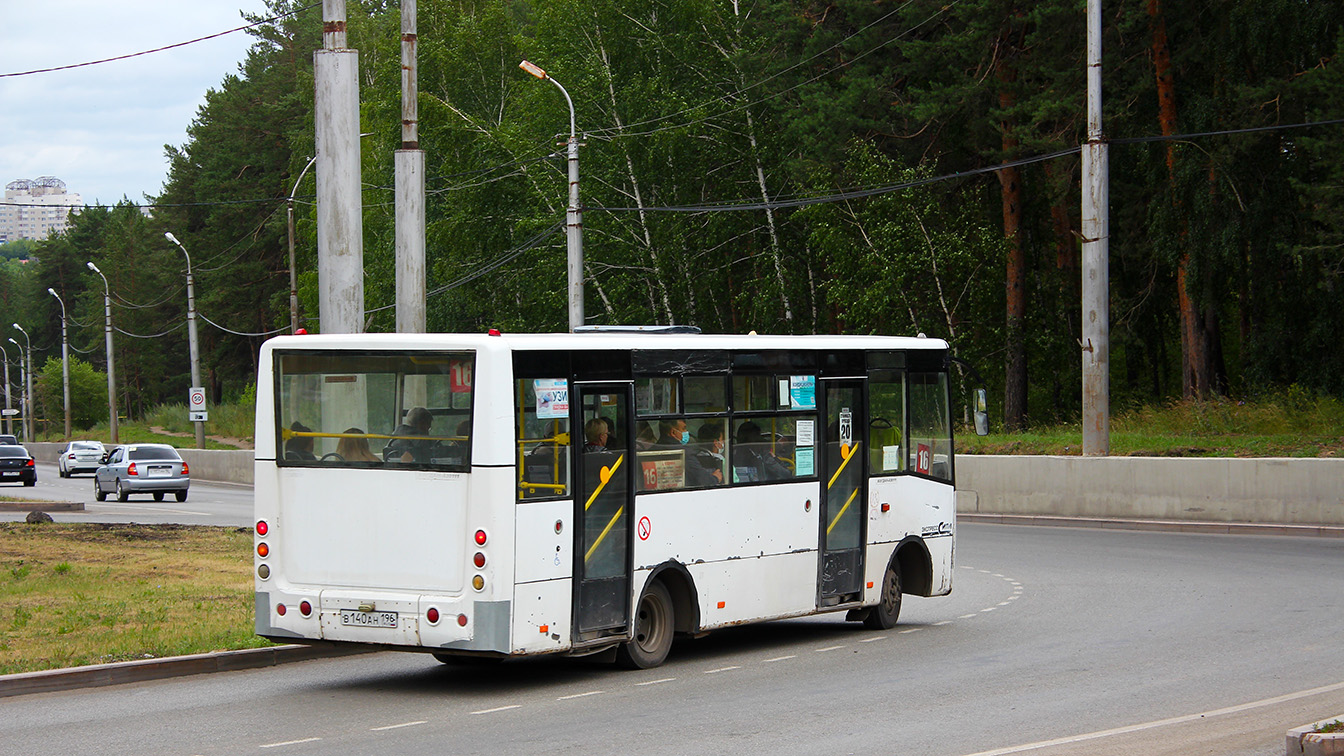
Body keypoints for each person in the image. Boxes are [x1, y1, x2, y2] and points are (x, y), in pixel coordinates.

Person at [689, 422, 726, 487]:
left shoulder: (694, 458)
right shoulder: (721, 460)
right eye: (722, 439)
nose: (723, 442)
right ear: (716, 443)